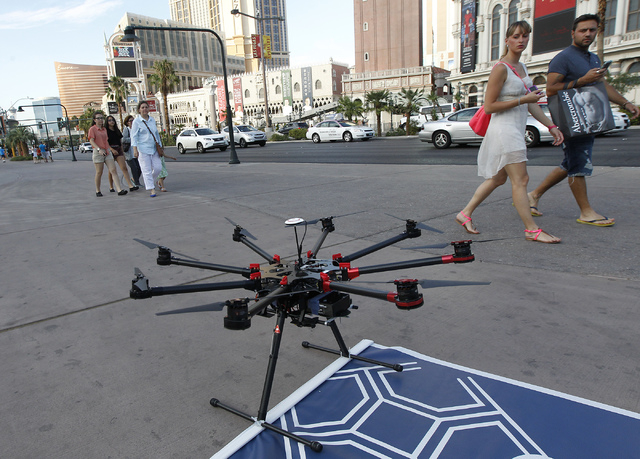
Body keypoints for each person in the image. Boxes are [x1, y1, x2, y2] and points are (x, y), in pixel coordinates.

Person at [456, 20, 564, 243]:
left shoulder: (522, 68)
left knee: (498, 179)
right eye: (516, 36)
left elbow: (532, 103)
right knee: (521, 180)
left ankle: (464, 214)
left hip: (515, 129)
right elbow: (489, 106)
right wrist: (523, 99)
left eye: (525, 36)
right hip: (504, 131)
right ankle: (531, 230)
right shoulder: (501, 68)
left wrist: (551, 126)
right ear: (506, 40)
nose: (521, 40)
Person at [528, 14, 639, 226]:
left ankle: (533, 195)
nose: (588, 34)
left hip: (587, 120)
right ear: (573, 33)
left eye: (592, 30)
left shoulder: (593, 58)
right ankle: (586, 212)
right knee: (578, 161)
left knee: (570, 162)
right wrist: (581, 80)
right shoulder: (563, 58)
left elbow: (601, 85)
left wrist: (625, 103)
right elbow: (550, 89)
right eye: (583, 30)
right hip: (572, 120)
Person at [88, 111, 128, 197]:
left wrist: (109, 149)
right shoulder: (92, 129)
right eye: (98, 118)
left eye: (101, 118)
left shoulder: (104, 129)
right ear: (94, 120)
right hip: (98, 151)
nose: (100, 120)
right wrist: (99, 149)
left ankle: (119, 190)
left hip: (107, 151)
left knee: (113, 170)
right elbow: (91, 140)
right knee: (99, 172)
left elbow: (106, 141)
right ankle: (98, 190)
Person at [131, 101, 163, 197]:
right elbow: (134, 136)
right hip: (143, 149)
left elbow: (156, 133)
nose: (144, 109)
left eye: (146, 107)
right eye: (142, 107)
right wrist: (135, 149)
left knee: (158, 168)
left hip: (154, 148)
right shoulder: (136, 121)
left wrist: (160, 145)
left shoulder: (152, 120)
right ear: (139, 110)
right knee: (146, 170)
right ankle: (151, 189)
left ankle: (150, 182)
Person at [105, 115, 138, 192]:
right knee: (112, 170)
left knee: (124, 168)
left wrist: (122, 151)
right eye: (109, 120)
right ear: (107, 122)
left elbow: (120, 141)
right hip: (110, 150)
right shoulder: (105, 131)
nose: (111, 121)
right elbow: (105, 142)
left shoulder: (117, 130)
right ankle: (111, 186)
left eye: (113, 120)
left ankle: (130, 185)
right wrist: (112, 149)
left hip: (118, 149)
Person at [122, 115, 142, 187]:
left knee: (139, 168)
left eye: (133, 120)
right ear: (127, 122)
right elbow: (123, 139)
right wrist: (132, 139)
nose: (132, 122)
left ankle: (134, 179)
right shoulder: (126, 129)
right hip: (129, 153)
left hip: (136, 152)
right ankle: (136, 183)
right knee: (134, 168)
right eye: (130, 120)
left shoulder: (136, 129)